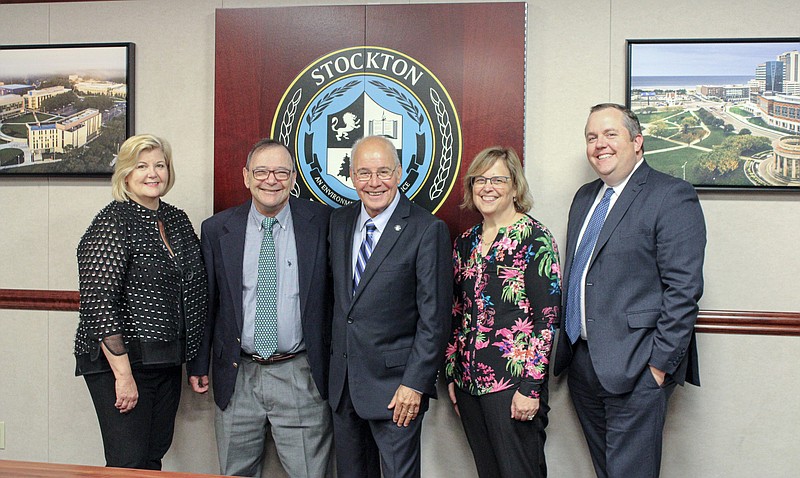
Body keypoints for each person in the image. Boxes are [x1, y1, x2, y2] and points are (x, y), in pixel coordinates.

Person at [553, 103, 706, 478]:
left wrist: (657, 368)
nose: (599, 144)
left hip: (638, 366)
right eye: (591, 137)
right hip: (584, 364)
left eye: (610, 134)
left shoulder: (671, 196)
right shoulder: (585, 198)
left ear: (638, 142)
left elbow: (683, 291)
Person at [187, 139, 334, 478]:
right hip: (238, 374)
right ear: (246, 177)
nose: (272, 180)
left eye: (281, 172)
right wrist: (198, 362)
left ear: (294, 178)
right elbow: (208, 301)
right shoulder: (217, 229)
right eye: (262, 171)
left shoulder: (323, 223)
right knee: (235, 471)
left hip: (300, 373)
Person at [75, 134, 207, 470]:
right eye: (142, 165)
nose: (153, 173)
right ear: (126, 174)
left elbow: (195, 291)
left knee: (152, 455)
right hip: (121, 363)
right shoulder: (113, 221)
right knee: (127, 461)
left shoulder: (176, 219)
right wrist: (123, 375)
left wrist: (194, 361)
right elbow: (99, 304)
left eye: (159, 165)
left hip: (165, 360)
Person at [328, 135, 452, 478]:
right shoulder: (339, 223)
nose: (374, 182)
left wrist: (415, 384)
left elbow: (435, 319)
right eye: (364, 173)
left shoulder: (427, 230)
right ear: (352, 177)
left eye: (383, 171)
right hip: (344, 387)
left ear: (398, 174)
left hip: (397, 390)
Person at [445, 147, 561, 478]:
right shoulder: (465, 243)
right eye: (480, 179)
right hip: (468, 386)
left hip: (512, 386)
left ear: (514, 187)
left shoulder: (534, 238)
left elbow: (546, 321)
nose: (488, 187)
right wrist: (453, 371)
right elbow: (458, 311)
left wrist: (530, 387)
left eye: (498, 179)